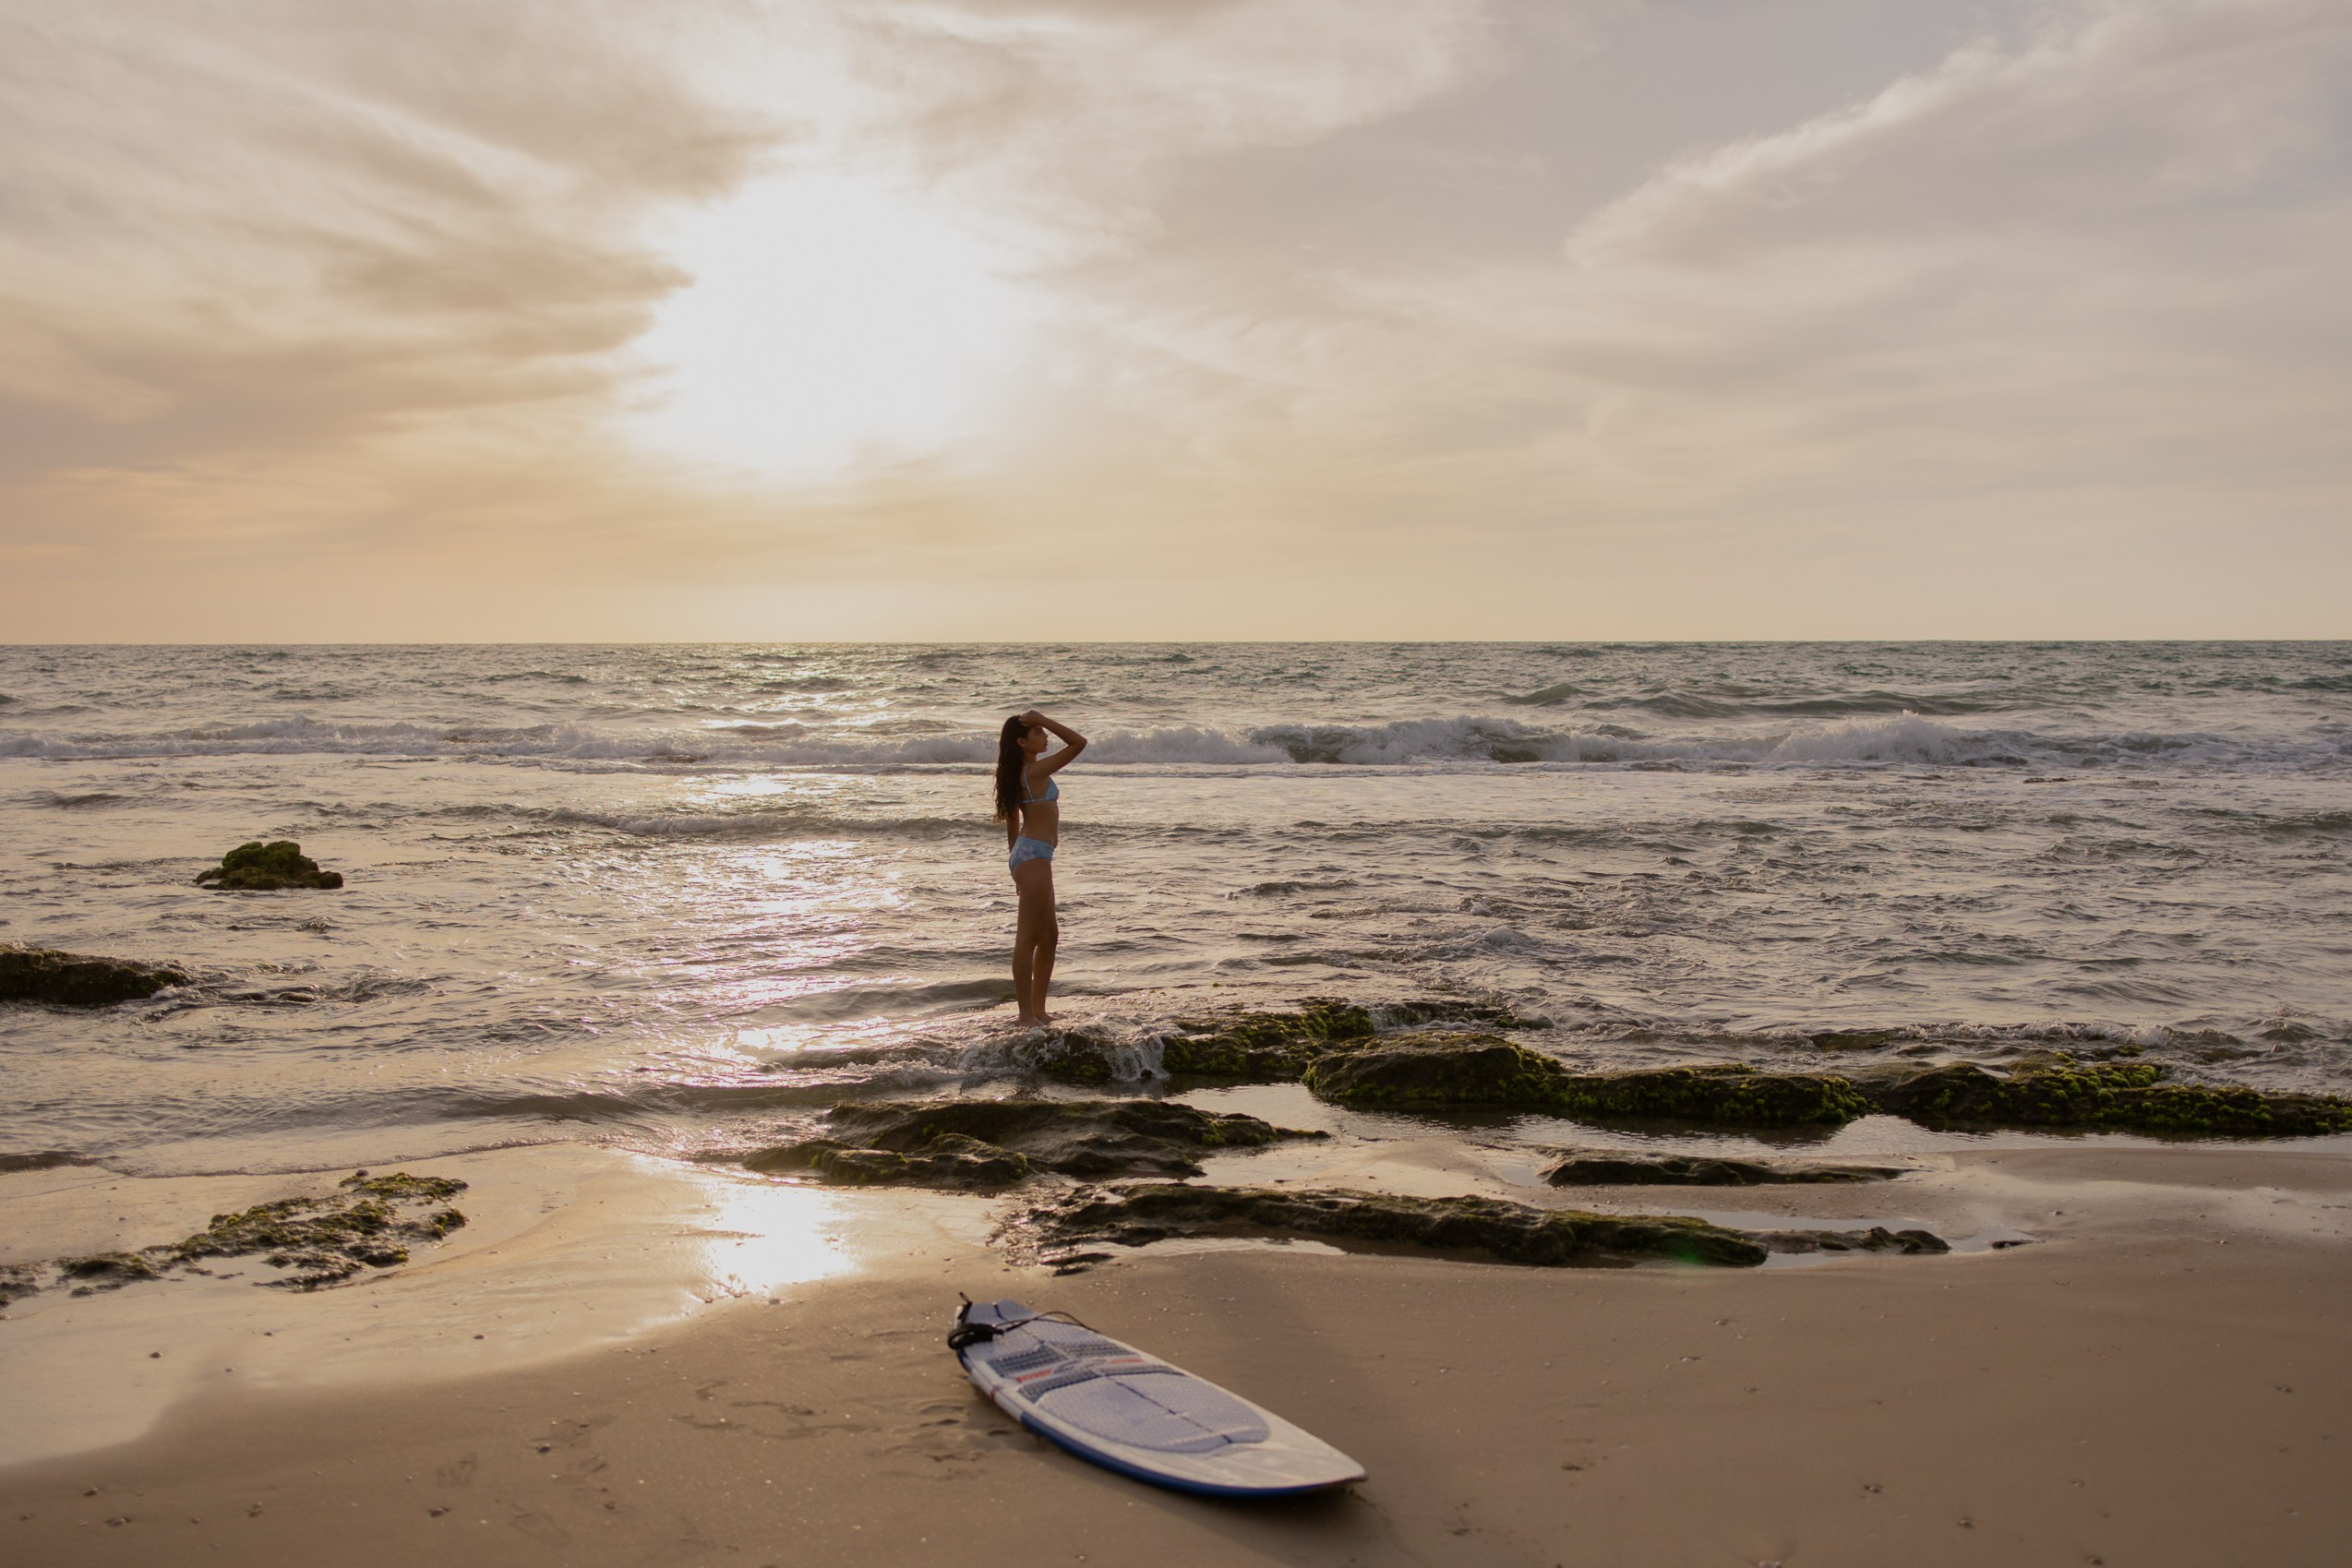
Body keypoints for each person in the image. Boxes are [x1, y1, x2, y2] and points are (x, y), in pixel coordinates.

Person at [993, 708, 1086, 1023]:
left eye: (1043, 731)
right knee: (1028, 939)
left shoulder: (1022, 773)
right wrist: (1043, 718)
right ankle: (1024, 1016)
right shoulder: (1033, 774)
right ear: (1021, 742)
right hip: (1033, 856)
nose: (1045, 736)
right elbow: (1078, 743)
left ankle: (1039, 1011)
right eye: (1038, 734)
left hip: (1030, 855)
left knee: (1049, 937)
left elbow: (1012, 820)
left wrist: (1013, 865)